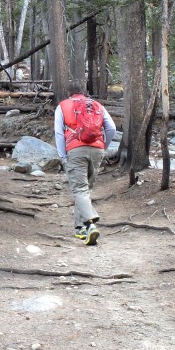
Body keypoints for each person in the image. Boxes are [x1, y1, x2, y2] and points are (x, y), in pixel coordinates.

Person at [54, 80, 116, 245]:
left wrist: (63, 155)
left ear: (69, 92)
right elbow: (112, 128)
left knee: (79, 189)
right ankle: (80, 228)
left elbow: (59, 133)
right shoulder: (96, 105)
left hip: (75, 150)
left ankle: (90, 225)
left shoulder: (63, 106)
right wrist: (103, 146)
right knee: (85, 189)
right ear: (84, 91)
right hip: (97, 150)